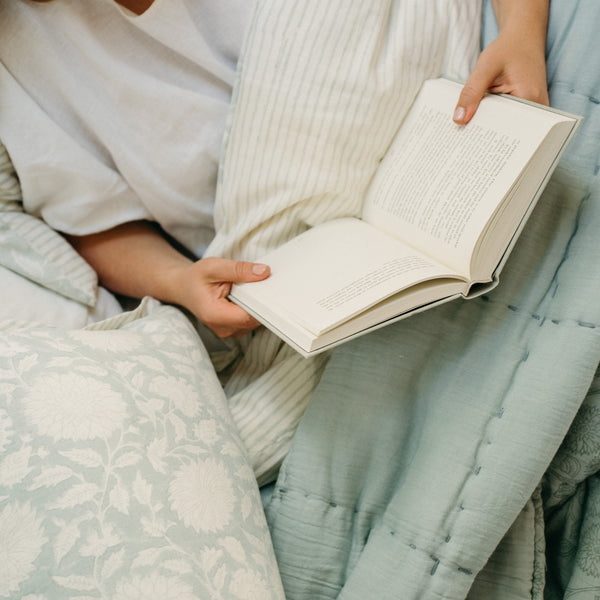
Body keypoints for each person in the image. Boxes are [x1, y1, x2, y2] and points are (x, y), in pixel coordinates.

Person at [0, 0, 549, 341]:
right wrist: (179, 283)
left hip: (470, 109)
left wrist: (521, 28)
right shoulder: (19, 53)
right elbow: (94, 218)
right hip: (298, 283)